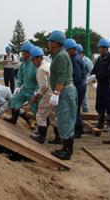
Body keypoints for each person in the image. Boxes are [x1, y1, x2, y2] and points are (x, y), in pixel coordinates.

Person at [47, 30, 77, 160]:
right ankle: (65, 148)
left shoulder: (60, 56)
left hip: (64, 91)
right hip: (64, 91)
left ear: (55, 43)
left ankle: (67, 152)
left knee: (65, 120)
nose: (48, 44)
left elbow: (62, 75)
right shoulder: (59, 55)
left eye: (50, 42)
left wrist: (56, 93)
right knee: (64, 119)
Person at [4, 43, 39, 130]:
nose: (22, 54)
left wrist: (37, 90)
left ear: (28, 53)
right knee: (15, 99)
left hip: (33, 91)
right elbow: (20, 76)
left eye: (23, 53)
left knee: (36, 110)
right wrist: (18, 86)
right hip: (25, 89)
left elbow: (39, 78)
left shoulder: (34, 63)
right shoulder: (23, 63)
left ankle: (42, 128)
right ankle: (13, 119)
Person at [28, 46, 59, 144]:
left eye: (33, 60)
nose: (32, 62)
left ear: (39, 58)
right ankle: (59, 137)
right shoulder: (48, 65)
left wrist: (37, 95)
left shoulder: (41, 69)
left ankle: (41, 137)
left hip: (48, 95)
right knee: (53, 115)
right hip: (53, 94)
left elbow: (44, 86)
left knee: (41, 114)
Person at [87, 39, 110, 132]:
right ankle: (101, 122)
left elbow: (108, 72)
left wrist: (96, 76)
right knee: (99, 104)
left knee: (109, 105)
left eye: (100, 48)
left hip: (108, 84)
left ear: (106, 48)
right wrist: (92, 77)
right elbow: (95, 69)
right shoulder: (99, 59)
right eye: (99, 48)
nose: (99, 50)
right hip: (101, 85)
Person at [64, 39, 86, 139]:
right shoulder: (74, 57)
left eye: (67, 50)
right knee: (76, 108)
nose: (66, 52)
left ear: (72, 49)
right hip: (79, 85)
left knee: (75, 108)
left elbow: (76, 77)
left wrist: (70, 86)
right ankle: (80, 129)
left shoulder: (75, 59)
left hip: (78, 86)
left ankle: (77, 131)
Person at [76, 44, 93, 113]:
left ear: (80, 53)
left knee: (84, 101)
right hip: (75, 83)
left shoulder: (87, 61)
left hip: (83, 84)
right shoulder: (74, 60)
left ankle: (87, 117)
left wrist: (90, 80)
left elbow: (92, 72)